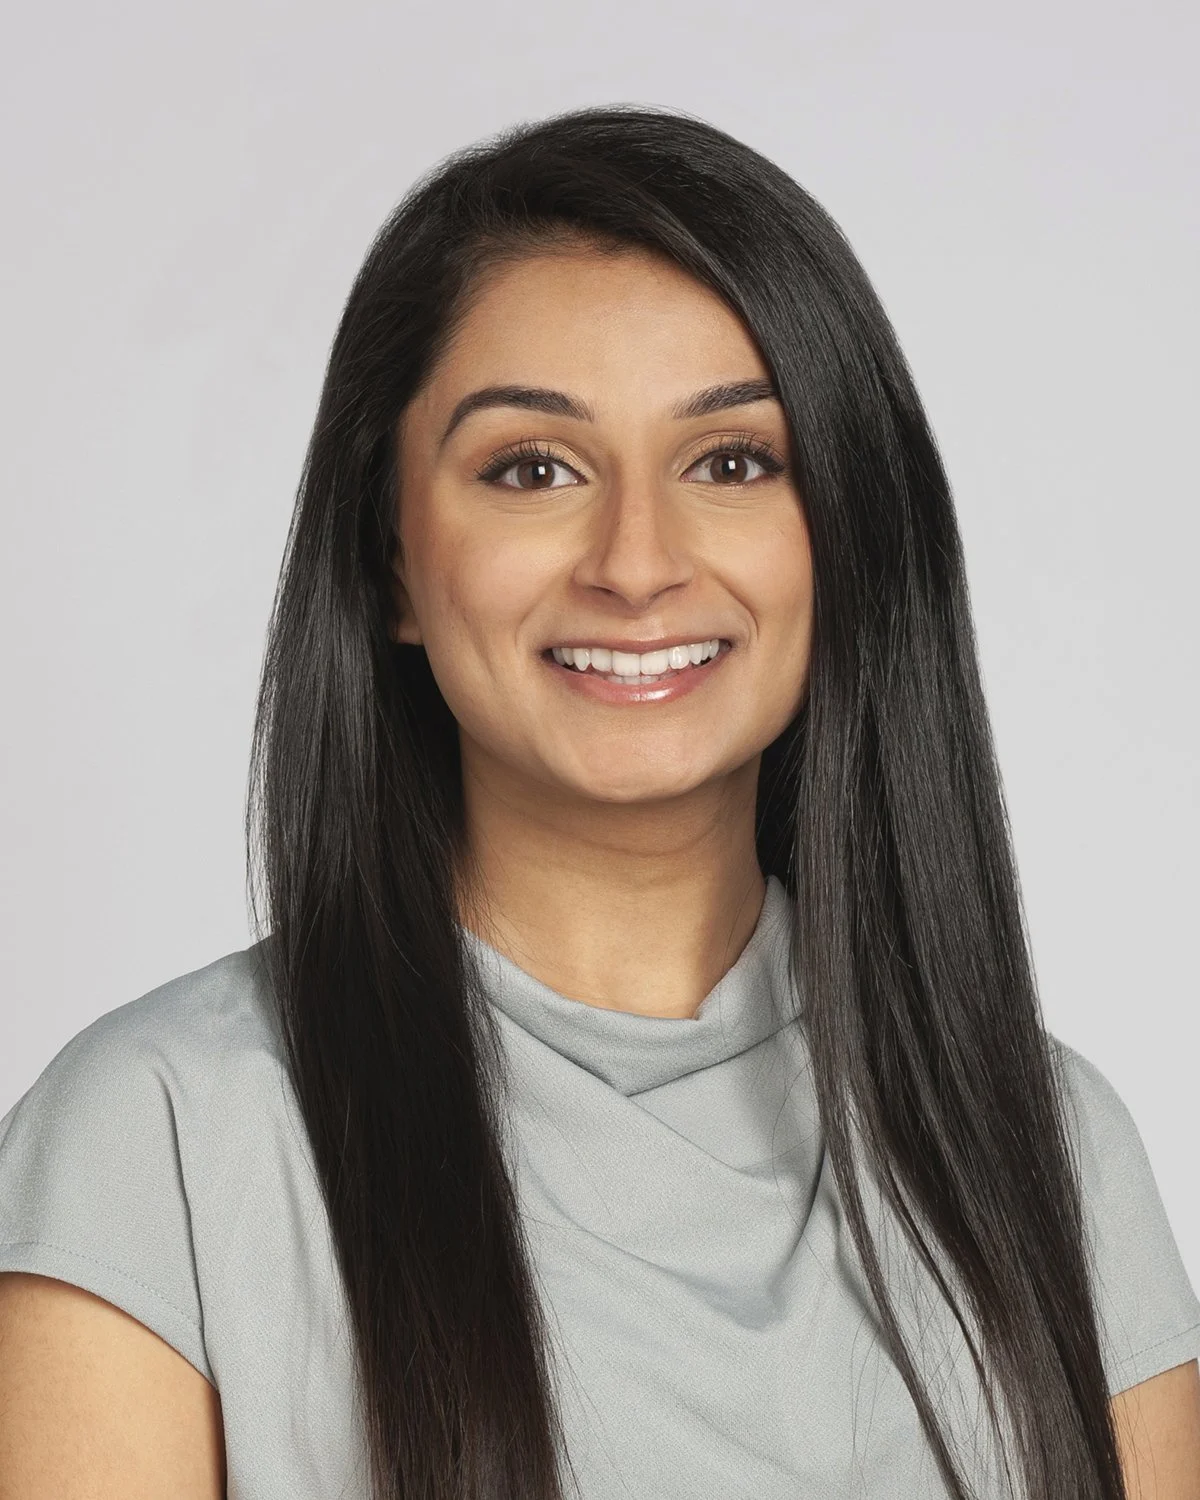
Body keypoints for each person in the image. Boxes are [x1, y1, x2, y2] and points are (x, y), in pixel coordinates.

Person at [0, 104, 1197, 1500]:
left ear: (851, 540)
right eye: (533, 469)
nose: (638, 561)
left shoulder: (1046, 1145)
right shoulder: (159, 1145)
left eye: (734, 462)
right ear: (390, 558)